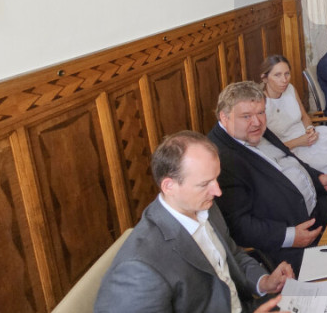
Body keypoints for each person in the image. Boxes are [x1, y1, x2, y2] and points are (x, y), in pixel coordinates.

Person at [95, 131, 293, 313]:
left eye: (216, 179)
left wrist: (264, 281)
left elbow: (231, 255)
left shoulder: (205, 206)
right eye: (204, 184)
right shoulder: (138, 268)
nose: (217, 191)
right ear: (169, 186)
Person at [209, 81, 327, 272]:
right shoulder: (221, 159)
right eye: (246, 116)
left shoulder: (252, 130)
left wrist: (318, 179)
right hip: (288, 241)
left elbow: (290, 161)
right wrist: (289, 236)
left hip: (313, 209)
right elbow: (238, 225)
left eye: (261, 113)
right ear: (224, 117)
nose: (257, 122)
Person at [260, 55, 327, 176]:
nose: (284, 80)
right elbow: (269, 149)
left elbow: (304, 116)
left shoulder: (290, 89)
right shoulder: (260, 105)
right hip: (291, 149)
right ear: (265, 78)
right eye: (277, 75)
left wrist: (310, 128)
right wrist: (299, 141)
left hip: (308, 136)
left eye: (287, 74)